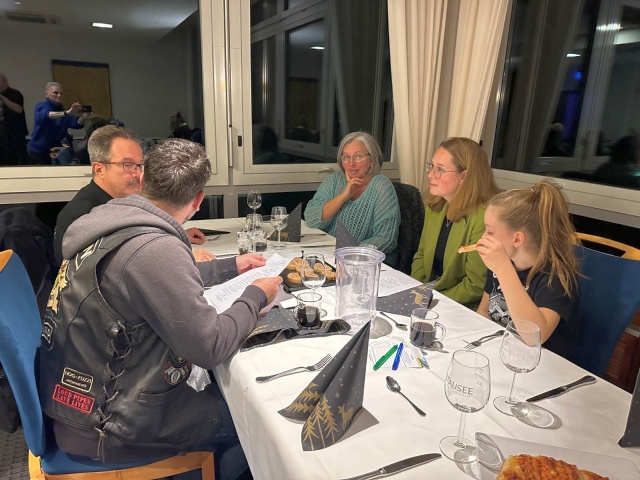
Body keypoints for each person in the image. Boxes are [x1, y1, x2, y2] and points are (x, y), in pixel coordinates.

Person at [39, 138, 283, 479]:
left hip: (75, 401)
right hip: (108, 423)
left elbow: (151, 279)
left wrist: (231, 267)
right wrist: (255, 295)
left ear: (142, 180)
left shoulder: (111, 221)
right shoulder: (153, 247)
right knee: (256, 420)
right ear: (198, 200)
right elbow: (210, 346)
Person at [53, 125, 207, 267]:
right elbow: (109, 269)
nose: (137, 173)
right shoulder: (82, 215)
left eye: (139, 165)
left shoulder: (120, 202)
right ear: (99, 169)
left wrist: (174, 235)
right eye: (127, 165)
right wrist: (179, 259)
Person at [475, 180, 580, 359]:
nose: (483, 237)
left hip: (540, 364)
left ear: (517, 239)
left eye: (490, 232)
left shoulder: (557, 277)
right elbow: (484, 312)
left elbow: (535, 338)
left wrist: (503, 269)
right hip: (499, 352)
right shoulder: (503, 262)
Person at [411, 137, 498, 310]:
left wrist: (430, 299)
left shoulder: (485, 218)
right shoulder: (435, 206)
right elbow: (421, 255)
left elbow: (475, 285)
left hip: (461, 307)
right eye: (432, 166)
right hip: (428, 297)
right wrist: (417, 290)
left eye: (440, 169)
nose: (430, 174)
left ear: (463, 176)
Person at [304, 131, 400, 254]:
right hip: (324, 250)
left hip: (358, 258)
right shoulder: (334, 180)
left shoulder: (381, 186)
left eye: (358, 156)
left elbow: (386, 239)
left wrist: (351, 253)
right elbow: (311, 220)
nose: (351, 164)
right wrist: (343, 196)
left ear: (372, 160)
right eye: (346, 157)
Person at [27, 82, 85, 165]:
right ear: (46, 94)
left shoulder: (62, 111)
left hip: (55, 152)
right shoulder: (41, 106)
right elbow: (47, 115)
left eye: (61, 93)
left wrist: (85, 117)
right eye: (55, 93)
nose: (59, 95)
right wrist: (66, 113)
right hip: (38, 153)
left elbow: (77, 123)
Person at [0, 73, 28, 165]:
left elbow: (19, 109)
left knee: (18, 161)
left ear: (4, 82)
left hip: (16, 135)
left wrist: (2, 97)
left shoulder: (15, 94)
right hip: (2, 137)